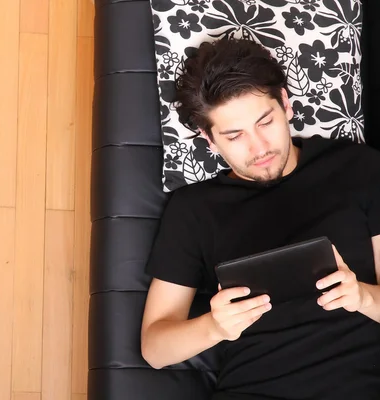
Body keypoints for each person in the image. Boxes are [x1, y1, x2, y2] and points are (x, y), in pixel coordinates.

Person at [140, 38, 380, 400]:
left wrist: (361, 297)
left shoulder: (359, 168)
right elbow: (155, 349)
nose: (259, 148)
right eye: (234, 136)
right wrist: (214, 326)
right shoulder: (194, 210)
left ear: (285, 104)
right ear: (209, 139)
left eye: (265, 122)